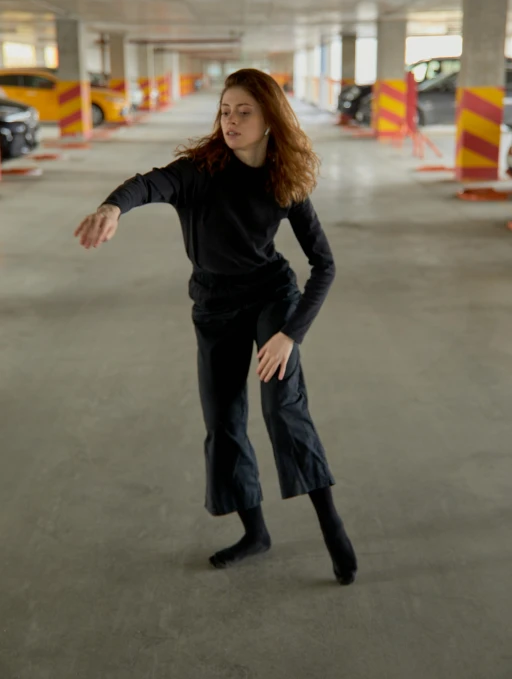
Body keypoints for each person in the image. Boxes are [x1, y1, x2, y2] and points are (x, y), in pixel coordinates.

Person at [74, 69, 357, 586]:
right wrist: (113, 205)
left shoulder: (283, 178)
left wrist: (290, 333)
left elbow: (325, 265)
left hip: (272, 298)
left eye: (244, 111)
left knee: (282, 409)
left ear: (269, 118)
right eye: (226, 111)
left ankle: (331, 525)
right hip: (214, 305)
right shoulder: (198, 171)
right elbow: (148, 183)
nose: (231, 120)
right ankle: (256, 532)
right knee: (223, 421)